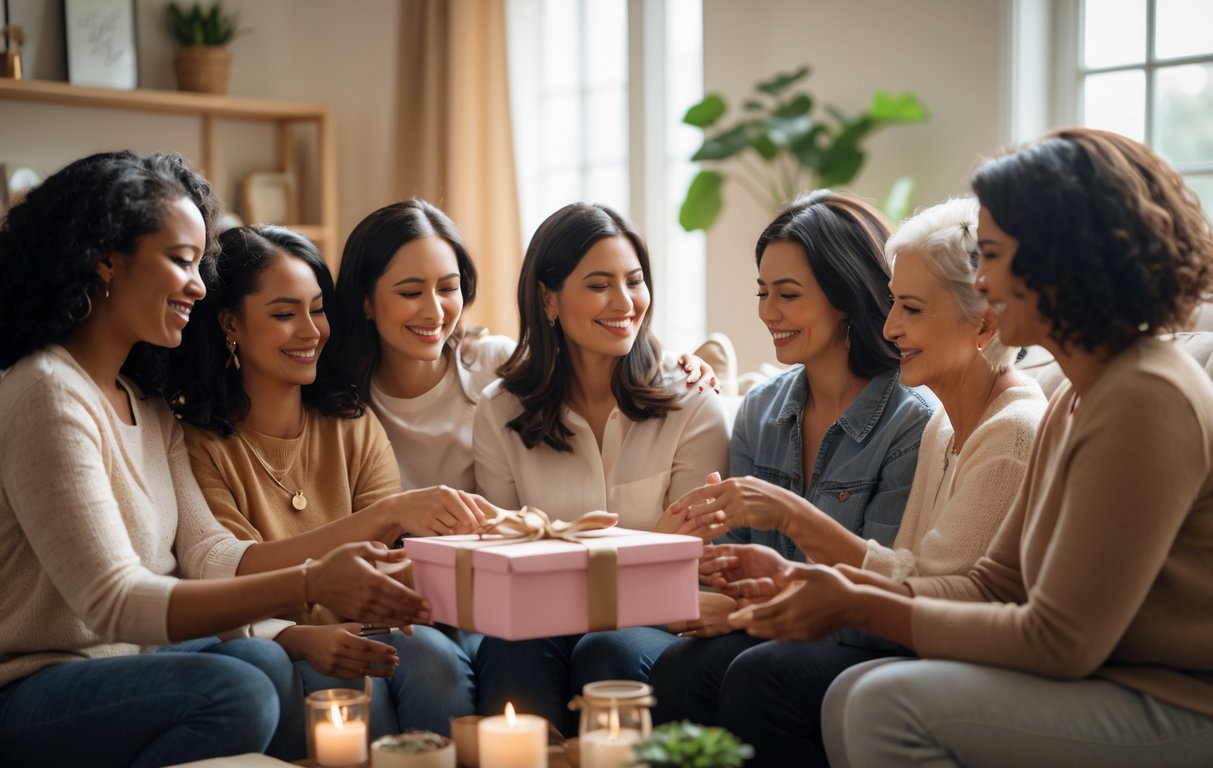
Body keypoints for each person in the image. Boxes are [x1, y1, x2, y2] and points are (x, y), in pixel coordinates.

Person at [730, 128, 1213, 768]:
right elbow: (993, 585)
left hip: (1179, 702)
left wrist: (856, 606)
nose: (980, 283)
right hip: (1110, 685)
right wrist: (823, 585)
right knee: (853, 691)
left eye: (989, 256)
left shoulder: (1144, 394)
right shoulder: (1078, 394)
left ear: (1053, 259)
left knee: (881, 705)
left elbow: (1058, 641)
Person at [0, 151, 426, 768]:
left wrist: (300, 606)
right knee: (237, 690)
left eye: (200, 264)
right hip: (41, 685)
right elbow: (116, 603)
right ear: (105, 259)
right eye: (181, 260)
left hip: (143, 664)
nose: (199, 285)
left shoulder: (146, 403)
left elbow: (208, 553)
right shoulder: (46, 390)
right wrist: (310, 582)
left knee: (260, 660)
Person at [682, 197, 1046, 768]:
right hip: (915, 634)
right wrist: (780, 578)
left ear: (984, 324)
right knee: (684, 667)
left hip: (956, 656)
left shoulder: (1008, 433)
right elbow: (904, 569)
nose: (890, 325)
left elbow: (940, 601)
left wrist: (795, 527)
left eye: (910, 308)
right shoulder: (946, 424)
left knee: (761, 677)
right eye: (894, 303)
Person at [168, 224, 482, 737]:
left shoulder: (351, 423)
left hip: (369, 624)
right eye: (284, 314)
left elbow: (392, 562)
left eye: (317, 309)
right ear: (230, 323)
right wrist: (297, 636)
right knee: (358, 688)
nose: (312, 331)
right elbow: (222, 576)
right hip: (274, 640)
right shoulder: (195, 443)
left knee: (431, 657)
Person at [649, 190, 935, 728]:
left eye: (787, 294)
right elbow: (727, 560)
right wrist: (701, 585)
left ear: (845, 295)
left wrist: (741, 611)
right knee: (677, 668)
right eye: (763, 292)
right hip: (770, 630)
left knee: (758, 672)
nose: (767, 312)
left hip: (862, 640)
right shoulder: (760, 410)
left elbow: (881, 592)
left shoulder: (911, 420)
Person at [471, 202, 731, 735]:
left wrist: (573, 565)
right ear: (548, 298)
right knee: (511, 644)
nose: (625, 302)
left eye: (634, 281)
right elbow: (506, 566)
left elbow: (688, 567)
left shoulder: (693, 402)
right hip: (539, 618)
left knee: (608, 647)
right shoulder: (500, 412)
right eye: (598, 285)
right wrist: (648, 544)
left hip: (658, 624)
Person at [321, 199, 720, 495]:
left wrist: (682, 364)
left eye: (447, 288)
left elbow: (589, 352)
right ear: (365, 301)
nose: (433, 311)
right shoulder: (338, 406)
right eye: (410, 292)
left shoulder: (496, 366)